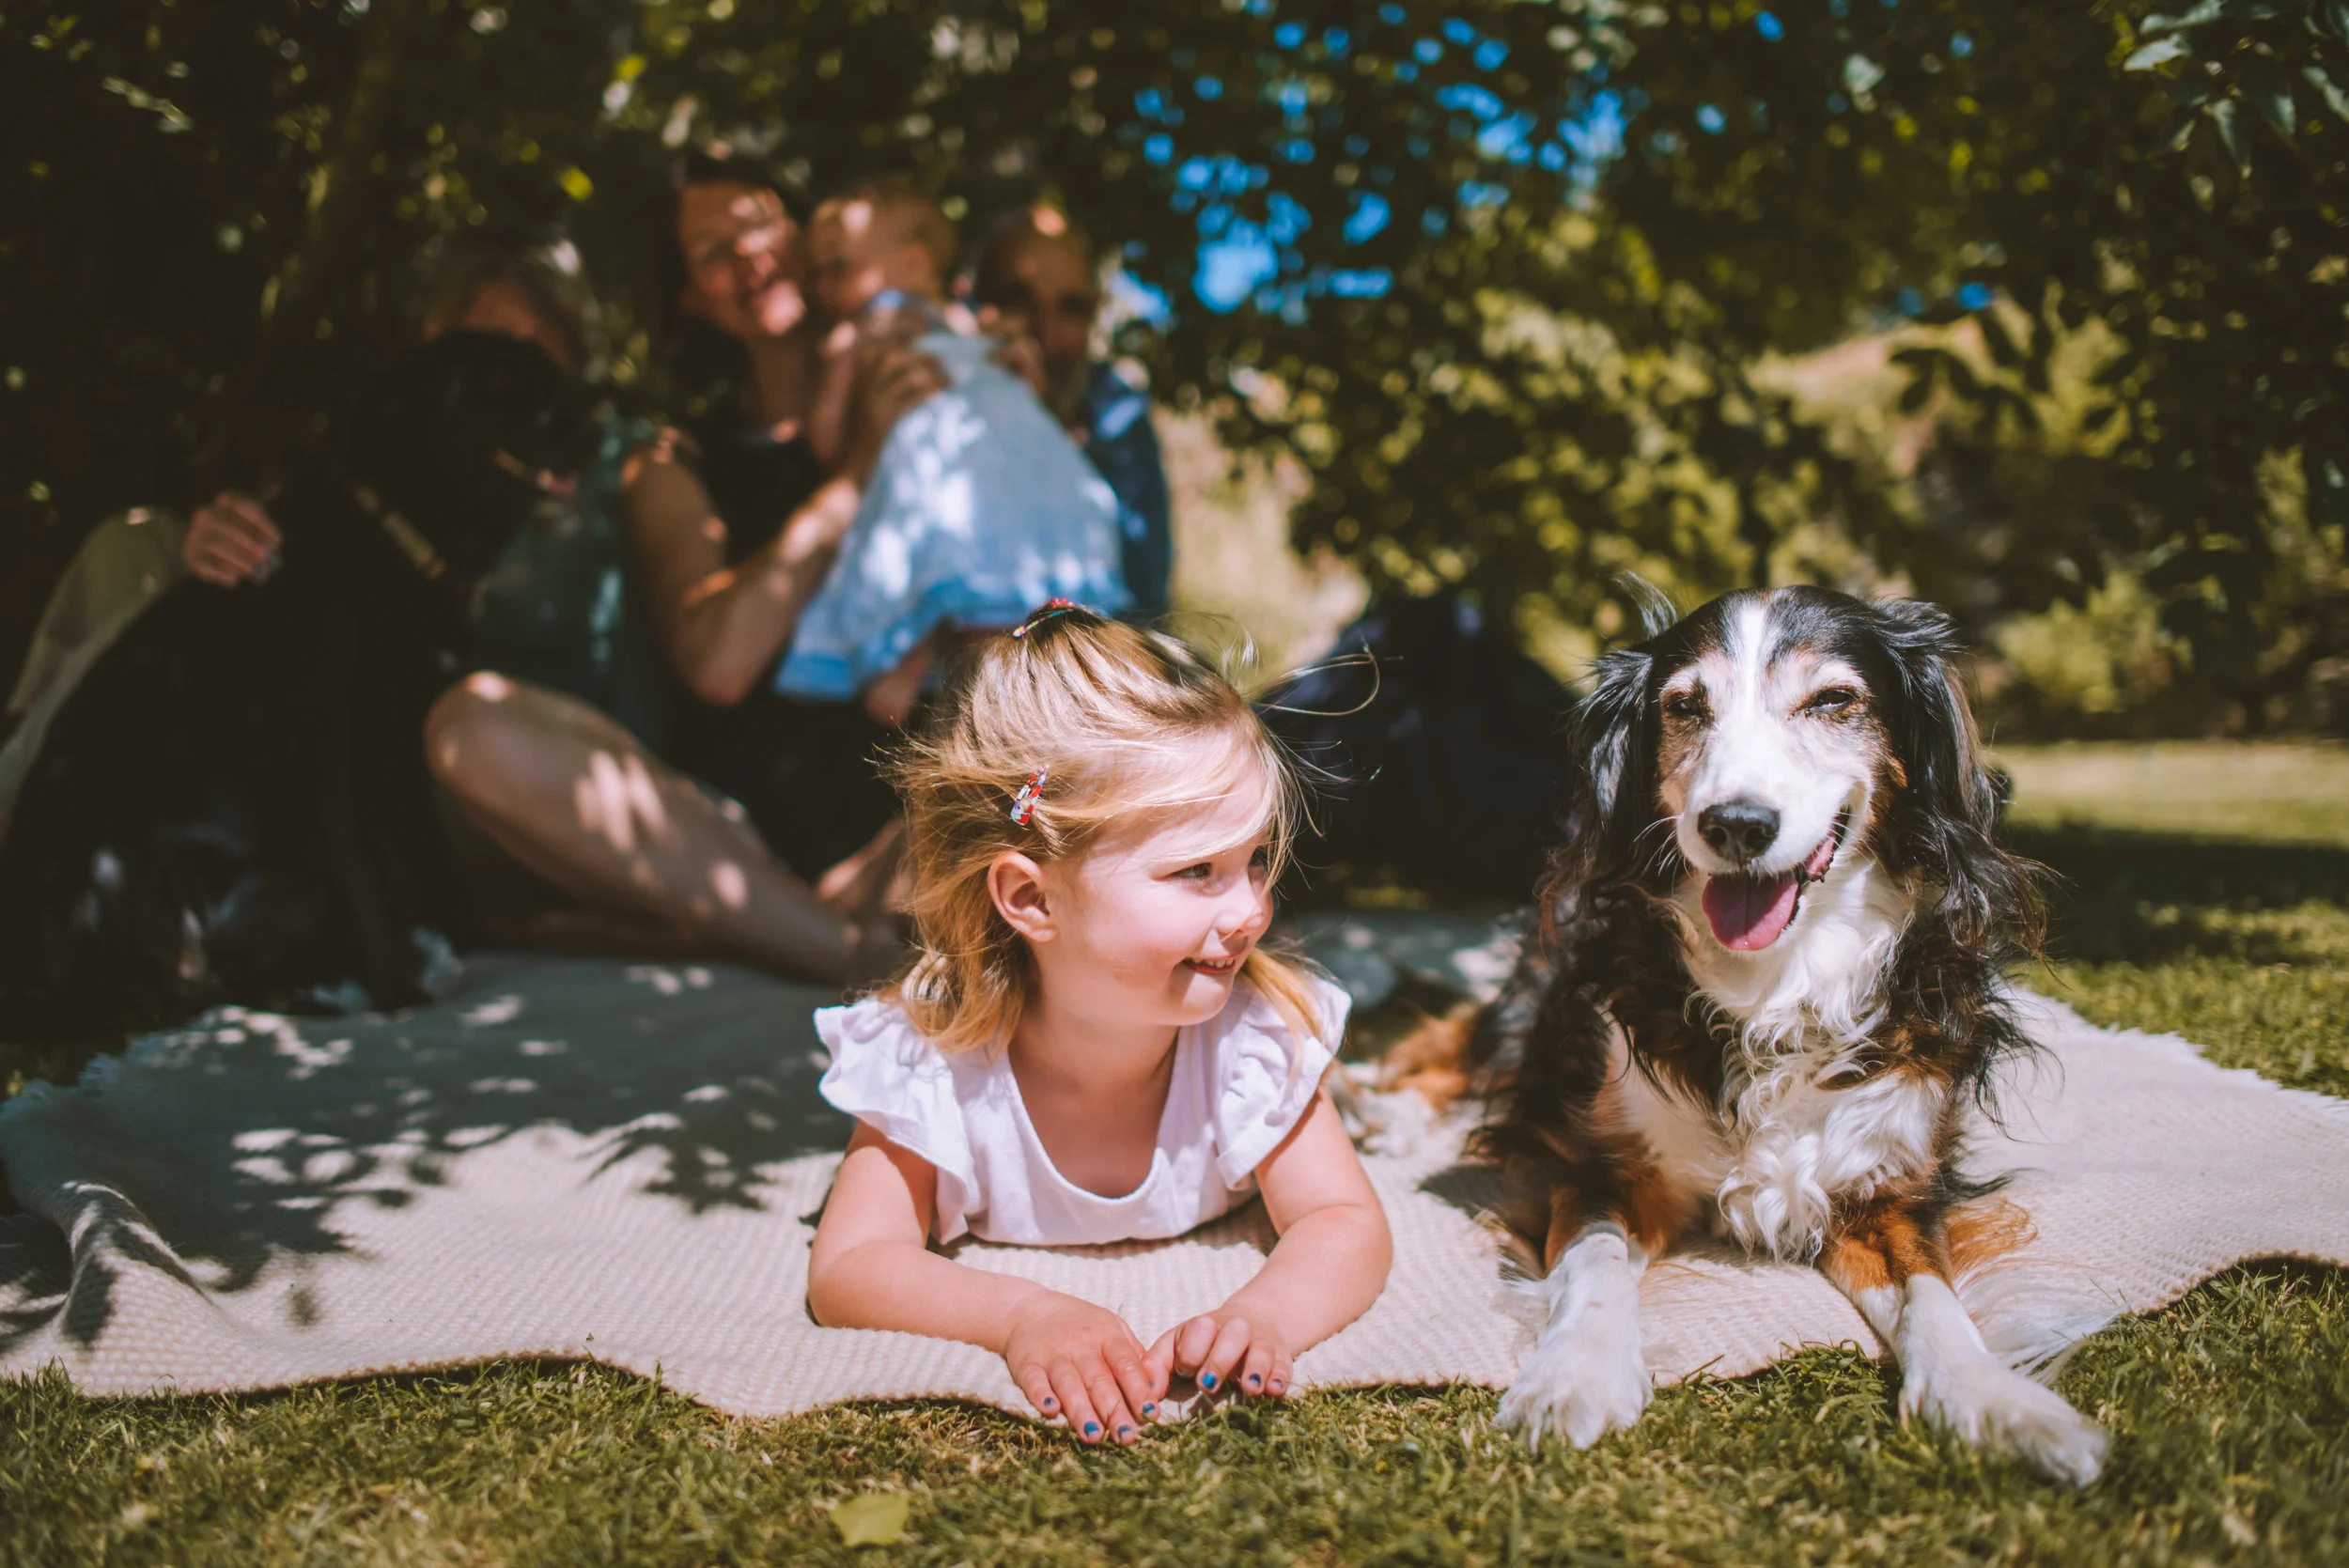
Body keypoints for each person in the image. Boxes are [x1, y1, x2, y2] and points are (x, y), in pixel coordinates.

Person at [804, 604, 1392, 1445]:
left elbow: (1343, 1218)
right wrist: (1021, 1315)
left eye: (1255, 859)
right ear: (1032, 898)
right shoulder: (934, 1062)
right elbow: (852, 1266)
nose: (1253, 908)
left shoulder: (1251, 1040)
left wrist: (1265, 1313)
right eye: (1198, 870)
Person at [777, 178, 1128, 719]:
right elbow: (825, 438)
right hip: (926, 471)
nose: (822, 287)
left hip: (978, 473)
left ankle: (1000, 668)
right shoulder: (863, 335)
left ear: (915, 263)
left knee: (967, 554)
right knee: (932, 551)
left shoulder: (945, 326)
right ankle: (909, 663)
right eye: (818, 273)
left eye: (838, 267)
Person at [972, 208, 1174, 619]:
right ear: (977, 302)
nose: (1045, 331)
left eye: (1071, 307)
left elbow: (1141, 597)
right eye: (1018, 299)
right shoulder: (936, 393)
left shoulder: (1117, 413)